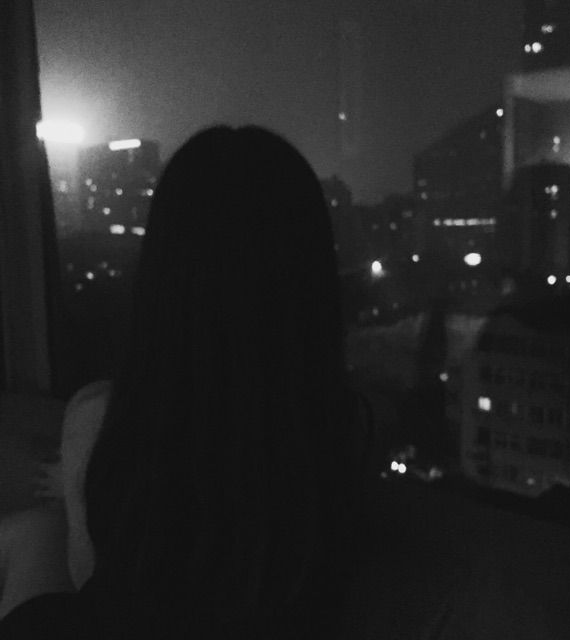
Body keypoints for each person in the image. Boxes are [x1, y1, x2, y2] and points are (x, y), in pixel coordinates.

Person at [0, 126, 367, 638]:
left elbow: (88, 575)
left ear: (161, 271)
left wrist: (78, 479)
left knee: (29, 532)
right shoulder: (345, 430)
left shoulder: (104, 417)